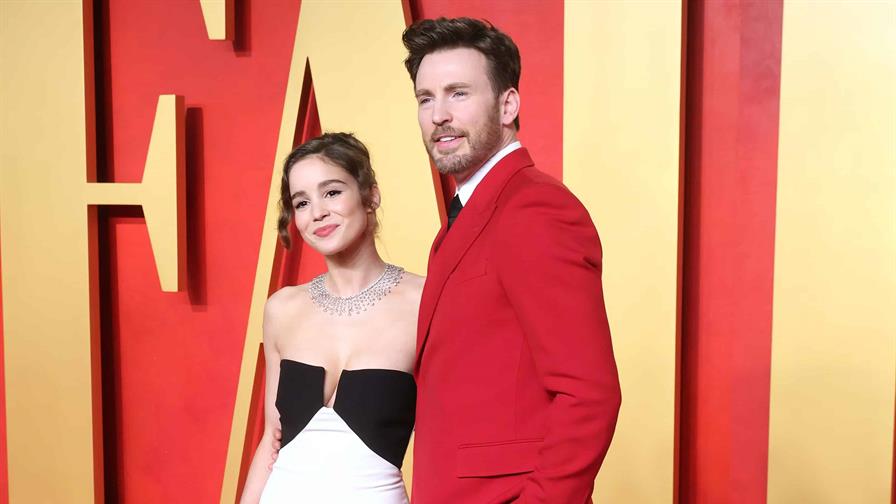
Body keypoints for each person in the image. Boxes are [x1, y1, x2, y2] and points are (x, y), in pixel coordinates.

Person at [403, 17, 622, 503]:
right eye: (425, 98)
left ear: (508, 105)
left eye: (458, 93)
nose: (439, 115)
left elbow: (589, 393)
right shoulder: (465, 217)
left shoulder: (535, 209)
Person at [240, 132, 424, 504]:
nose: (317, 212)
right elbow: (271, 440)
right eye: (302, 202)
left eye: (332, 192)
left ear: (370, 196)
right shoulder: (283, 309)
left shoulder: (423, 301)